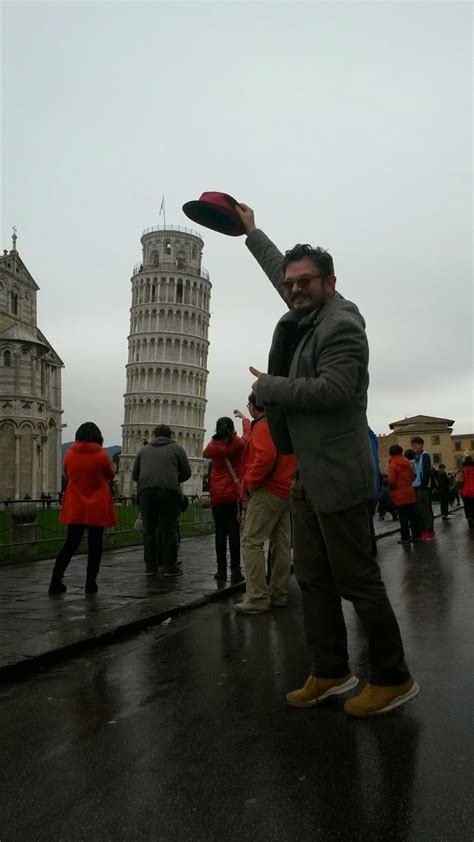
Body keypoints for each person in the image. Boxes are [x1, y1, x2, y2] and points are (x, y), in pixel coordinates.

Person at [232, 201, 418, 717]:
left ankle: (393, 678)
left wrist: (273, 388)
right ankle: (331, 671)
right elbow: (282, 273)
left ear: (329, 283)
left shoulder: (341, 327)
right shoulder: (305, 308)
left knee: (358, 580)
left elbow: (336, 389)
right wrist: (252, 232)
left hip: (339, 473)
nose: (294, 289)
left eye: (305, 282)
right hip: (307, 475)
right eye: (291, 283)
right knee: (311, 579)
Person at [233, 393, 295, 613]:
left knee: (252, 542)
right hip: (285, 490)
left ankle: (258, 597)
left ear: (253, 406)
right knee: (281, 544)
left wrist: (250, 483)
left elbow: (265, 457)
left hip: (267, 490)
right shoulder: (282, 425)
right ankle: (279, 594)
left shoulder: (263, 426)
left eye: (248, 403)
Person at [48, 422, 116, 595]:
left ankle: (56, 580)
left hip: (76, 503)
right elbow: (110, 474)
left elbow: (67, 473)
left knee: (70, 544)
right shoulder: (102, 455)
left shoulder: (70, 454)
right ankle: (90, 584)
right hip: (97, 505)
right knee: (95, 546)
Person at [132, 424, 191, 577]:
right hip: (168, 492)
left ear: (154, 435)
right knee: (169, 529)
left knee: (149, 530)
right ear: (170, 435)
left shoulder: (144, 450)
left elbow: (135, 475)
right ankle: (169, 567)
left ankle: (150, 567)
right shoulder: (177, 449)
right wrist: (173, 478)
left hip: (146, 492)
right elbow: (187, 472)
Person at [203, 414, 251, 583]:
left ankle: (221, 571)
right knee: (234, 532)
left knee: (220, 533)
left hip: (217, 493)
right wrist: (245, 420)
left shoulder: (213, 446)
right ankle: (236, 571)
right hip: (233, 492)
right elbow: (247, 436)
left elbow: (205, 452)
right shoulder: (237, 444)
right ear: (231, 429)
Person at [387, 445, 421, 544]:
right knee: (413, 516)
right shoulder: (408, 463)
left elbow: (391, 480)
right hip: (410, 492)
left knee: (403, 518)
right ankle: (417, 536)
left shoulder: (392, 465)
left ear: (391, 453)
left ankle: (405, 538)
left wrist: (392, 489)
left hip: (399, 495)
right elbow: (413, 477)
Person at [411, 436, 435, 541]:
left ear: (421, 445)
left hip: (422, 487)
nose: (414, 447)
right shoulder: (416, 456)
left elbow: (426, 471)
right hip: (416, 486)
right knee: (419, 511)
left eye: (416, 444)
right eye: (413, 445)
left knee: (426, 510)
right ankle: (423, 531)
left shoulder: (425, 455)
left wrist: (423, 486)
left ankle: (429, 531)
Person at [458, 455, 474, 527]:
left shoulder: (463, 469)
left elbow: (458, 479)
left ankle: (468, 517)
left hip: (464, 490)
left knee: (466, 505)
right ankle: (473, 517)